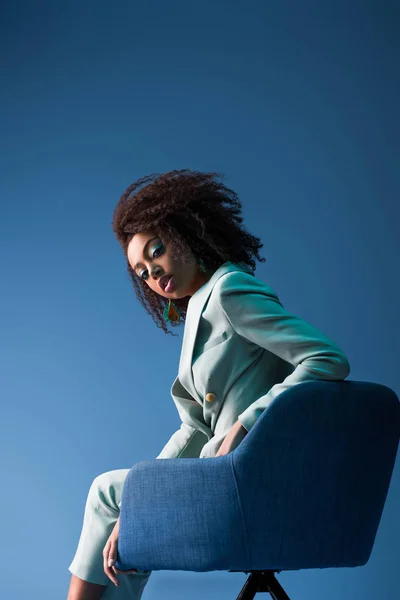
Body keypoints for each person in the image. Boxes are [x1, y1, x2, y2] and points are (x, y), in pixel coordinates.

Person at [66, 169, 350, 599]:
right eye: (141, 272)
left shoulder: (229, 290)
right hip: (220, 476)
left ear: (184, 234)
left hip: (244, 483)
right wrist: (141, 496)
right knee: (116, 499)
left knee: (106, 492)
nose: (153, 274)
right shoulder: (201, 308)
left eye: (156, 251)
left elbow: (326, 359)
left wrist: (247, 423)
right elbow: (194, 429)